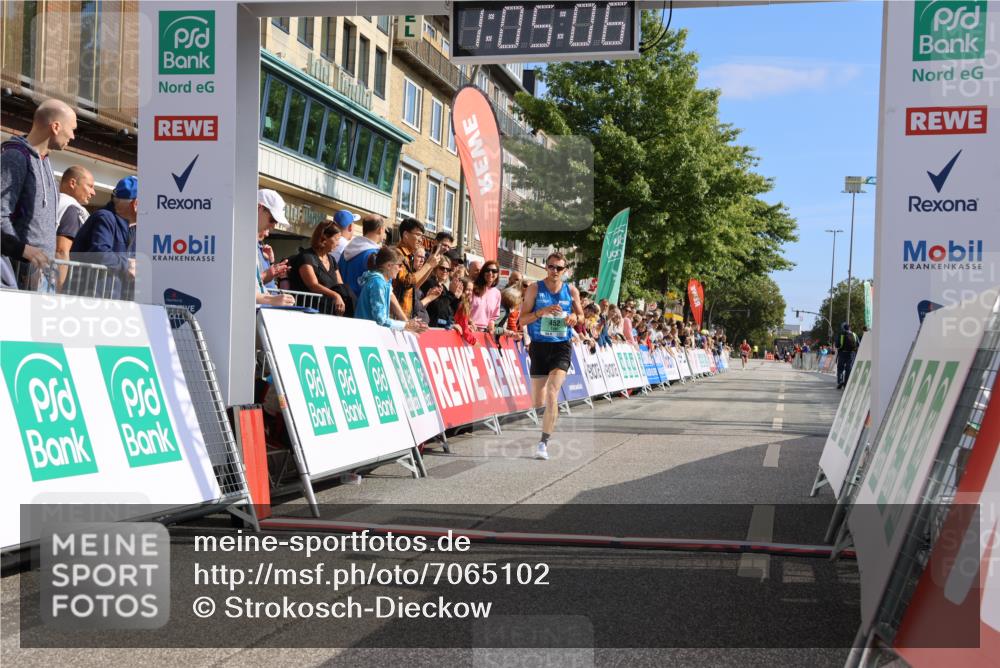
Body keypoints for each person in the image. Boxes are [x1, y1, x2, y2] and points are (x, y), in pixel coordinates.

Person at [1, 98, 77, 285]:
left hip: (40, 274)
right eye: (73, 129)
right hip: (18, 274)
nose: (73, 136)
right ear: (56, 127)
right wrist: (24, 256)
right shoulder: (15, 157)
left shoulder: (45, 162)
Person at [520, 252, 584, 461]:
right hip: (539, 346)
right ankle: (546, 415)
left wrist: (575, 317)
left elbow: (581, 316)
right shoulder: (534, 289)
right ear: (546, 267)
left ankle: (543, 443)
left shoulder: (571, 290)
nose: (554, 271)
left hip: (561, 347)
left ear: (565, 271)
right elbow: (522, 320)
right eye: (550, 267)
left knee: (552, 393)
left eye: (558, 268)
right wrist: (542, 312)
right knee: (538, 400)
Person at [70, 176, 138, 298]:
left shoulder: (135, 228)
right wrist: (127, 265)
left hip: (115, 304)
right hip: (90, 301)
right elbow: (99, 253)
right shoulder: (104, 218)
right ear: (136, 204)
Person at [355, 246, 427, 333]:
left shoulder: (384, 281)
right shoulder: (378, 283)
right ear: (389, 265)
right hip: (365, 333)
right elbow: (381, 320)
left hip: (369, 332)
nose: (400, 269)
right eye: (399, 265)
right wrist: (406, 325)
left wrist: (407, 323)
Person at [287, 220, 350, 316]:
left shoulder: (332, 260)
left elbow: (340, 285)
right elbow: (313, 285)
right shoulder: (306, 257)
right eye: (336, 239)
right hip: (308, 314)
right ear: (324, 238)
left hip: (328, 313)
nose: (338, 243)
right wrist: (335, 295)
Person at [54, 166, 96, 288]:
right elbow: (61, 250)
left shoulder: (54, 201)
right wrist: (60, 288)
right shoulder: (72, 208)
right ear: (73, 183)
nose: (93, 193)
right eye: (90, 186)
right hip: (56, 282)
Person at [393, 217, 442, 317]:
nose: (421, 240)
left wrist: (430, 265)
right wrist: (428, 265)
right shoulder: (397, 254)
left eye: (422, 236)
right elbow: (407, 281)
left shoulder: (408, 256)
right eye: (418, 235)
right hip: (396, 318)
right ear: (406, 235)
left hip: (405, 317)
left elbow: (414, 286)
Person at [340, 214, 386, 298]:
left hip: (344, 302)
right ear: (380, 230)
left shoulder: (345, 251)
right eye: (384, 230)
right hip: (365, 306)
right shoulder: (377, 255)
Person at [470, 260, 502, 332]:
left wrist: (491, 324)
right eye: (487, 270)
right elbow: (463, 309)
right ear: (483, 272)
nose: (490, 273)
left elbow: (493, 316)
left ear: (497, 274)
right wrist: (469, 322)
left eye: (494, 271)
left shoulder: (497, 293)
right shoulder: (472, 287)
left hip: (484, 332)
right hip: (469, 329)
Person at [423, 255, 455, 328]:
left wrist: (456, 297)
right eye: (442, 268)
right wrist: (451, 294)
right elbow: (438, 308)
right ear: (435, 269)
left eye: (448, 269)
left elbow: (449, 311)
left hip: (442, 328)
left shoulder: (444, 288)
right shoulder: (430, 283)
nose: (445, 271)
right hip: (430, 326)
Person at [836, 322, 859, 389]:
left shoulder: (841, 334)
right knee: (848, 369)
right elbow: (858, 344)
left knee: (840, 368)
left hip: (842, 353)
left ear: (843, 328)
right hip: (851, 354)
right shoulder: (854, 334)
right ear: (850, 328)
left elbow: (837, 345)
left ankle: (840, 382)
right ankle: (846, 384)